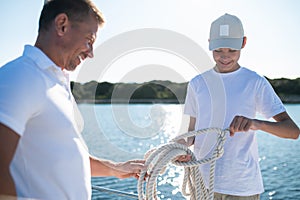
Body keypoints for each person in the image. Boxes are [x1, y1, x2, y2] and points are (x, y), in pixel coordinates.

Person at [0, 0, 145, 199]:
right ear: (62, 25)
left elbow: (64, 157)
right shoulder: (20, 76)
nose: (91, 53)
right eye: (89, 40)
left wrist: (115, 169)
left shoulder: (56, 83)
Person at [180, 13, 300, 199]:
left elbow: (292, 131)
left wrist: (256, 123)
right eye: (218, 50)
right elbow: (190, 132)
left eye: (232, 51)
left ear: (243, 43)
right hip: (201, 185)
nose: (225, 57)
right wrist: (178, 147)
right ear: (210, 42)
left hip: (242, 188)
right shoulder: (197, 83)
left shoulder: (255, 82)